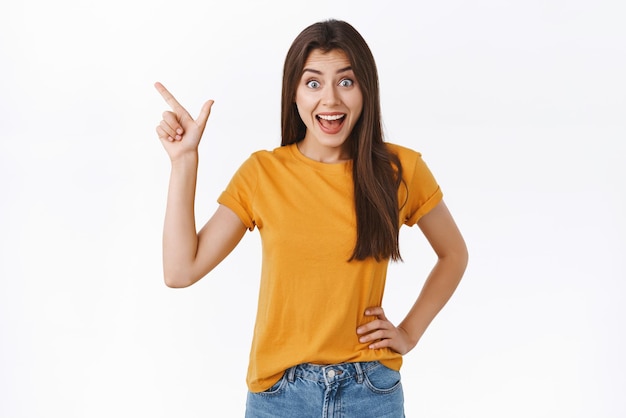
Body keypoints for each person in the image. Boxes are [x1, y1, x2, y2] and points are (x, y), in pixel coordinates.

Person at [155, 19, 468, 418]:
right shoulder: (263, 173)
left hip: (369, 390)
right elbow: (180, 270)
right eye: (314, 83)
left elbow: (454, 254)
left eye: (347, 81)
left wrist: (409, 333)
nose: (331, 99)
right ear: (295, 94)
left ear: (366, 89)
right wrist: (184, 161)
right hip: (279, 396)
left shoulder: (399, 170)